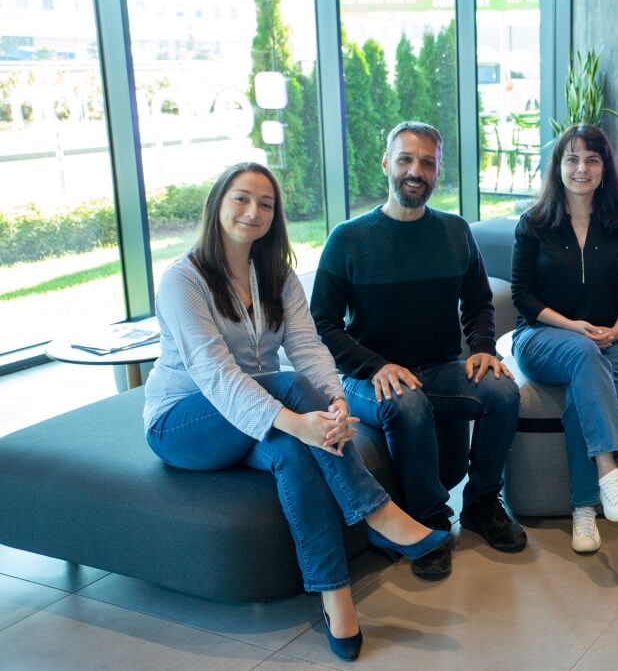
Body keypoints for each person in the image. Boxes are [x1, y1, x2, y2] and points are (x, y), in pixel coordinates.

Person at [143, 162, 449, 662]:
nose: (253, 211)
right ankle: (378, 512)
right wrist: (297, 421)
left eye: (265, 204)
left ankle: (335, 597)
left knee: (293, 451)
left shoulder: (277, 275)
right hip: (184, 423)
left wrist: (335, 403)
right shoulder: (184, 280)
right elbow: (216, 375)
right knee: (288, 393)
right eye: (241, 199)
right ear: (217, 204)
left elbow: (306, 346)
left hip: (255, 416)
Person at [310, 121, 525, 581]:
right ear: (386, 163)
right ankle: (429, 523)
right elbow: (322, 323)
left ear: (437, 171)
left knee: (504, 391)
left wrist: (483, 348)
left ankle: (482, 504)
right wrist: (375, 365)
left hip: (440, 368)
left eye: (427, 162)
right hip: (367, 378)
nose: (416, 171)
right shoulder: (348, 239)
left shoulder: (454, 231)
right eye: (406, 159)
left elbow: (479, 302)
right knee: (406, 402)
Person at [509, 124, 618, 553]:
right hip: (541, 337)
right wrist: (573, 327)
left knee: (580, 397)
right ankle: (608, 472)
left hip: (610, 340)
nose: (581, 168)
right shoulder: (534, 223)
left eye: (592, 159)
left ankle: (584, 511)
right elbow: (522, 295)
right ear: (558, 167)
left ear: (605, 169)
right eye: (572, 159)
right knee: (584, 354)